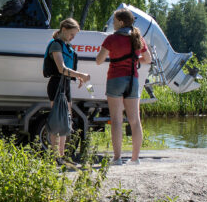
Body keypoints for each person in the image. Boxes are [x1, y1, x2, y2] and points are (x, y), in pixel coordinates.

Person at [96, 9, 152, 165]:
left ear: (121, 22)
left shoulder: (111, 39)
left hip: (115, 79)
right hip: (133, 80)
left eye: (114, 21)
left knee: (116, 120)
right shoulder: (138, 37)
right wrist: (134, 60)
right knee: (135, 120)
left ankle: (117, 158)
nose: (113, 24)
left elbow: (99, 60)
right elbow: (148, 59)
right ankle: (135, 159)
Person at [45, 18, 90, 161]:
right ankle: (54, 155)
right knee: (57, 120)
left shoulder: (67, 46)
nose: (72, 38)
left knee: (66, 121)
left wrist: (77, 78)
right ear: (63, 30)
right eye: (71, 34)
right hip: (56, 85)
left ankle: (61, 155)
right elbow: (61, 69)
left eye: (74, 35)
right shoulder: (56, 45)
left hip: (65, 85)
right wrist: (80, 75)